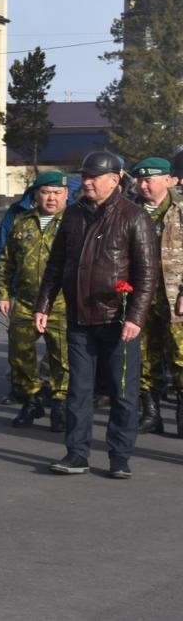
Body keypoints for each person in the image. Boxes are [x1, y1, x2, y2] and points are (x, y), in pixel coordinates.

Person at [36, 151, 157, 478]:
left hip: (118, 321)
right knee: (79, 389)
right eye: (84, 176)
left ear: (114, 180)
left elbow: (147, 274)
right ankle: (76, 454)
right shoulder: (73, 215)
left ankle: (120, 456)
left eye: (93, 177)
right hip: (79, 317)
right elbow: (55, 265)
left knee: (122, 391)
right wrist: (43, 304)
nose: (86, 182)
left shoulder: (134, 217)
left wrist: (135, 317)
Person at [0, 171, 70, 431]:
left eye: (57, 193)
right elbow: (6, 261)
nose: (51, 198)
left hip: (61, 303)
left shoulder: (74, 222)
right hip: (26, 301)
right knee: (19, 355)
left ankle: (59, 406)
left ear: (66, 195)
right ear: (36, 195)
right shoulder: (22, 222)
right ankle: (31, 400)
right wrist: (3, 293)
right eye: (46, 192)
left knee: (62, 357)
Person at [127, 157, 183, 436]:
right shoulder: (129, 211)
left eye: (149, 179)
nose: (144, 185)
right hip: (142, 298)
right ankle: (151, 413)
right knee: (145, 357)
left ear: (167, 179)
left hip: (177, 299)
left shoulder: (180, 208)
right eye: (140, 180)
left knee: (181, 356)